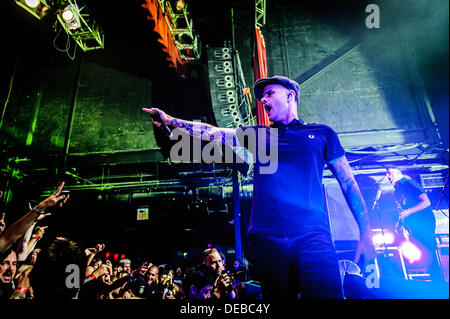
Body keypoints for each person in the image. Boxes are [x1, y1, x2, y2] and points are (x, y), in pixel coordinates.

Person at [143, 75, 375, 299]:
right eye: (262, 96)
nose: (263, 100)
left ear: (290, 96)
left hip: (313, 235)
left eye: (269, 94)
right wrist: (171, 120)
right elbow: (212, 132)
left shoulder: (322, 133)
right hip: (268, 238)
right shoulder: (258, 134)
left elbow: (348, 183)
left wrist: (366, 233)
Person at [386, 166, 443, 281]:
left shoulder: (410, 183)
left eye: (389, 173)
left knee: (428, 249)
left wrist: (408, 212)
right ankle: (432, 278)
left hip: (425, 222)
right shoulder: (397, 190)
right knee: (421, 250)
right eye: (387, 174)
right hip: (414, 224)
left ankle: (438, 280)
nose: (387, 176)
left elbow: (426, 202)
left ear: (398, 172)